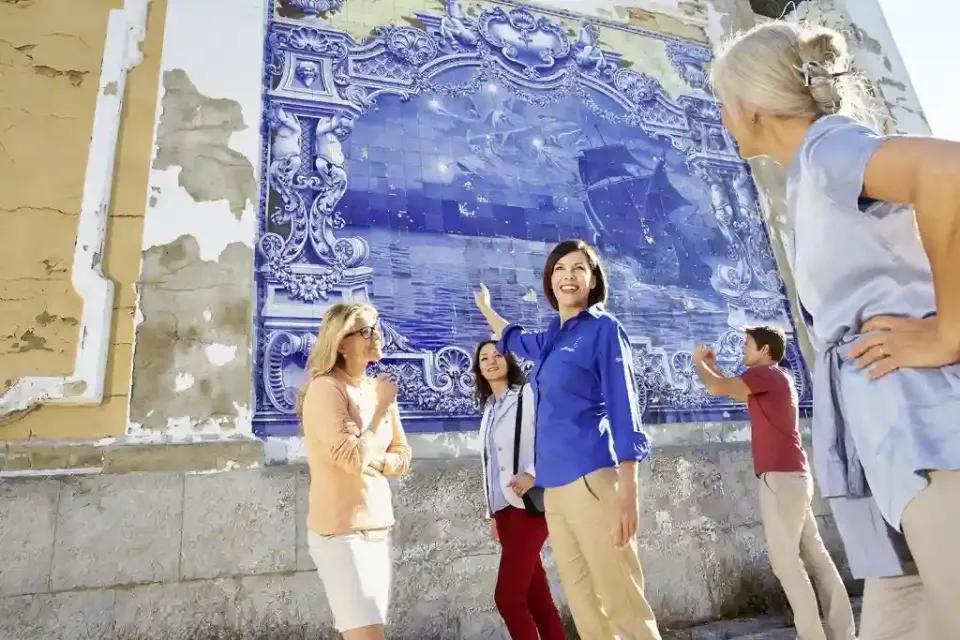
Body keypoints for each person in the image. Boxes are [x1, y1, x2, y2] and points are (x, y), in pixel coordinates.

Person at [710, 20, 960, 639]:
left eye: (722, 105)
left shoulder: (828, 151)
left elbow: (947, 170)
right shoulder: (809, 179)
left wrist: (948, 331)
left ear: (751, 104)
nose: (720, 120)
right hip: (890, 463)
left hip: (931, 438)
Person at [474, 239, 662, 640]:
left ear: (594, 280)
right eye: (559, 269)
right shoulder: (551, 338)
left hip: (592, 480)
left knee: (622, 602)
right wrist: (486, 309)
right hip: (554, 493)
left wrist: (628, 488)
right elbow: (513, 338)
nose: (568, 276)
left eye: (579, 268)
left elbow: (624, 406)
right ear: (550, 281)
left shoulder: (604, 330)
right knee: (584, 607)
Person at [692, 326, 855, 640]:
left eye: (748, 344)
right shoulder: (774, 379)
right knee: (815, 557)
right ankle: (843, 633)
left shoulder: (766, 375)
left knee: (786, 563)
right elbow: (731, 387)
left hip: (780, 480)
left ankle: (813, 635)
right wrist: (713, 368)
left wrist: (700, 362)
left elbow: (716, 387)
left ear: (765, 351)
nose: (743, 349)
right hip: (794, 477)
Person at [298, 303, 412, 640]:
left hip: (379, 530)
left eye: (376, 327)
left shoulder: (376, 389)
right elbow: (350, 459)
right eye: (364, 330)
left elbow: (403, 455)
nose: (375, 335)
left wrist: (377, 461)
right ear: (340, 342)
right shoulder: (326, 389)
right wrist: (379, 413)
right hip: (341, 535)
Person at [473, 340, 567, 640]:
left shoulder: (526, 395)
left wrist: (532, 473)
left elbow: (553, 435)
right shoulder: (489, 409)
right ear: (479, 368)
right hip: (504, 512)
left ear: (509, 361)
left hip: (529, 505)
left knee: (509, 599)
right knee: (536, 596)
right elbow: (489, 465)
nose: (491, 361)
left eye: (497, 355)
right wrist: (491, 514)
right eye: (484, 358)